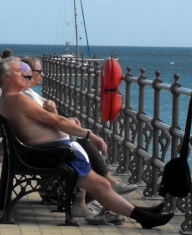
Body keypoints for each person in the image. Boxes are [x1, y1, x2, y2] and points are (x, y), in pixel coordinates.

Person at [0, 57, 172, 229]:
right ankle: (144, 217)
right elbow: (57, 122)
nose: (24, 74)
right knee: (101, 185)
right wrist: (89, 135)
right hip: (52, 155)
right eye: (18, 71)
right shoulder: (18, 99)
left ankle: (144, 213)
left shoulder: (9, 99)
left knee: (101, 184)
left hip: (43, 152)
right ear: (6, 77)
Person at [19, 56, 136, 205]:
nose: (43, 75)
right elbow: (53, 121)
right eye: (39, 71)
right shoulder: (26, 97)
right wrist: (81, 130)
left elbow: (51, 120)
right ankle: (105, 187)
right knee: (84, 143)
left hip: (38, 146)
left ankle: (105, 190)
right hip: (45, 150)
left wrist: (67, 120)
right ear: (27, 73)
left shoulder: (28, 94)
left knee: (82, 142)